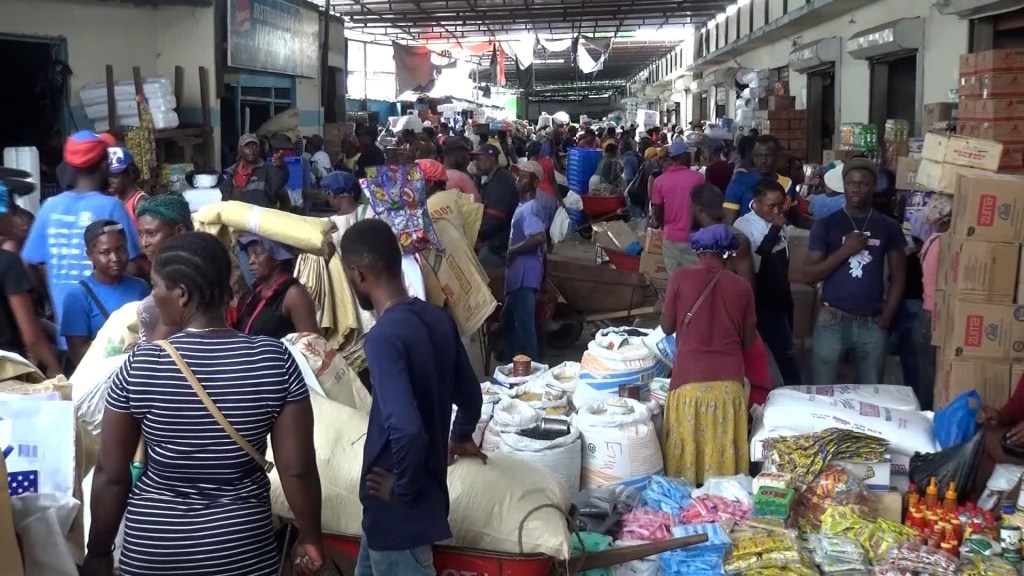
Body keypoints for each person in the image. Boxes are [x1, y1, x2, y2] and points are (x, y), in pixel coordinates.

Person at [81, 232, 323, 576]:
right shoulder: (275, 360)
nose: (153, 297)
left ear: (181, 295)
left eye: (156, 287)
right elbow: (297, 468)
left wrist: (99, 551)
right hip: (240, 550)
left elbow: (112, 474)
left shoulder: (139, 367)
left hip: (156, 550)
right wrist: (310, 538)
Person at [338, 219, 485, 575]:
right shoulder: (436, 318)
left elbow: (405, 428)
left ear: (357, 274)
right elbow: (470, 396)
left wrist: (402, 488)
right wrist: (461, 435)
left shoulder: (383, 338)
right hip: (394, 519)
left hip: (399, 517)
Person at [22, 130, 143, 357]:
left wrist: (50, 297)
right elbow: (133, 265)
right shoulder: (111, 206)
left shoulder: (49, 207)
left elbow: (27, 264)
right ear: (103, 165)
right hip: (112, 337)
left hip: (66, 334)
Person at [659, 224, 754, 484]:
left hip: (688, 383)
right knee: (722, 470)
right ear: (728, 253)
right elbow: (748, 340)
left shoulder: (680, 278)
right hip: (727, 387)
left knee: (686, 467)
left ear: (697, 251)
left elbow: (666, 327)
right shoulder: (742, 287)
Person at [803, 158, 907, 385]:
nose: (856, 189)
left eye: (863, 183)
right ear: (844, 184)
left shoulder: (888, 227)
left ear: (873, 186)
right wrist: (845, 251)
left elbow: (899, 277)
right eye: (851, 183)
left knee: (871, 395)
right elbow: (808, 275)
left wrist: (886, 317)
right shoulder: (827, 225)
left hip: (872, 322)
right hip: (832, 318)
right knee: (824, 392)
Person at [734, 180, 802, 386]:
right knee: (781, 355)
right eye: (771, 205)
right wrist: (774, 229)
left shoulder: (779, 221)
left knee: (786, 349)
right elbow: (756, 257)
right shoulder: (743, 225)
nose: (777, 210)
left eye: (781, 205)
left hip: (782, 295)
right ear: (756, 202)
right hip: (761, 300)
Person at [61, 221, 150, 368]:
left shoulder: (140, 287)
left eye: (121, 249)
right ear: (89, 255)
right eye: (105, 252)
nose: (115, 258)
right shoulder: (77, 296)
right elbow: (78, 355)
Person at [0, 178, 60, 377]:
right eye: (10, 211)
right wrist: (54, 369)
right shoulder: (8, 263)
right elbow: (31, 336)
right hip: (7, 368)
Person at [231, 234, 320, 339]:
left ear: (277, 257)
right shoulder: (253, 294)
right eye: (249, 255)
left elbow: (311, 346)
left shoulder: (295, 295)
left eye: (257, 253)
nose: (251, 261)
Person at [133, 194, 194, 343]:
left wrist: (142, 359)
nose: (144, 243)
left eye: (151, 233)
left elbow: (160, 342)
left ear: (180, 231)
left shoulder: (182, 276)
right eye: (140, 234)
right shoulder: (164, 272)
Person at [503, 163, 548, 361]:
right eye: (518, 176)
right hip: (521, 273)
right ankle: (516, 360)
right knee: (509, 319)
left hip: (524, 273)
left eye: (523, 177)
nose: (518, 180)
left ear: (536, 182)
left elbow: (538, 237)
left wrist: (512, 250)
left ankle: (531, 365)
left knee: (524, 325)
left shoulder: (530, 208)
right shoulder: (525, 206)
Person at [913, 195, 952, 411]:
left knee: (928, 380)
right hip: (935, 320)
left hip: (926, 316)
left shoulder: (932, 241)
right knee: (932, 384)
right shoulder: (946, 244)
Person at [650, 141, 704, 274]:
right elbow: (703, 207)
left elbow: (657, 210)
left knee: (675, 281)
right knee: (696, 280)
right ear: (684, 156)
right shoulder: (698, 178)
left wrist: (664, 227)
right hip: (693, 237)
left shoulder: (659, 181)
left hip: (670, 238)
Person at [724, 136, 794, 222]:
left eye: (769, 156)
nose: (763, 160)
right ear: (752, 156)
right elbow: (729, 223)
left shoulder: (787, 183)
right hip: (747, 234)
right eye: (758, 156)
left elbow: (795, 217)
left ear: (777, 157)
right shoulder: (738, 184)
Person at [472, 144, 519, 268]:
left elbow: (495, 218)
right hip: (498, 240)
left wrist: (477, 234)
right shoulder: (496, 177)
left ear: (492, 159)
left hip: (497, 245)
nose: (476, 163)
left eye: (479, 159)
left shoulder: (500, 181)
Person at [220, 133, 291, 210]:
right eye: (247, 147)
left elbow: (279, 181)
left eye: (254, 146)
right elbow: (225, 199)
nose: (251, 150)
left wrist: (281, 167)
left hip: (261, 218)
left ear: (259, 148)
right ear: (240, 150)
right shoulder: (231, 173)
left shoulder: (268, 169)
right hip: (236, 218)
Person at [107, 147, 148, 229]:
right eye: (106, 176)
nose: (109, 181)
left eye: (115, 176)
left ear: (130, 174)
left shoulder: (140, 202)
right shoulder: (114, 199)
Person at [442, 137, 481, 202]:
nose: (469, 158)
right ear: (459, 155)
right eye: (467, 154)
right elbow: (477, 203)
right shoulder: (461, 178)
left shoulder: (437, 174)